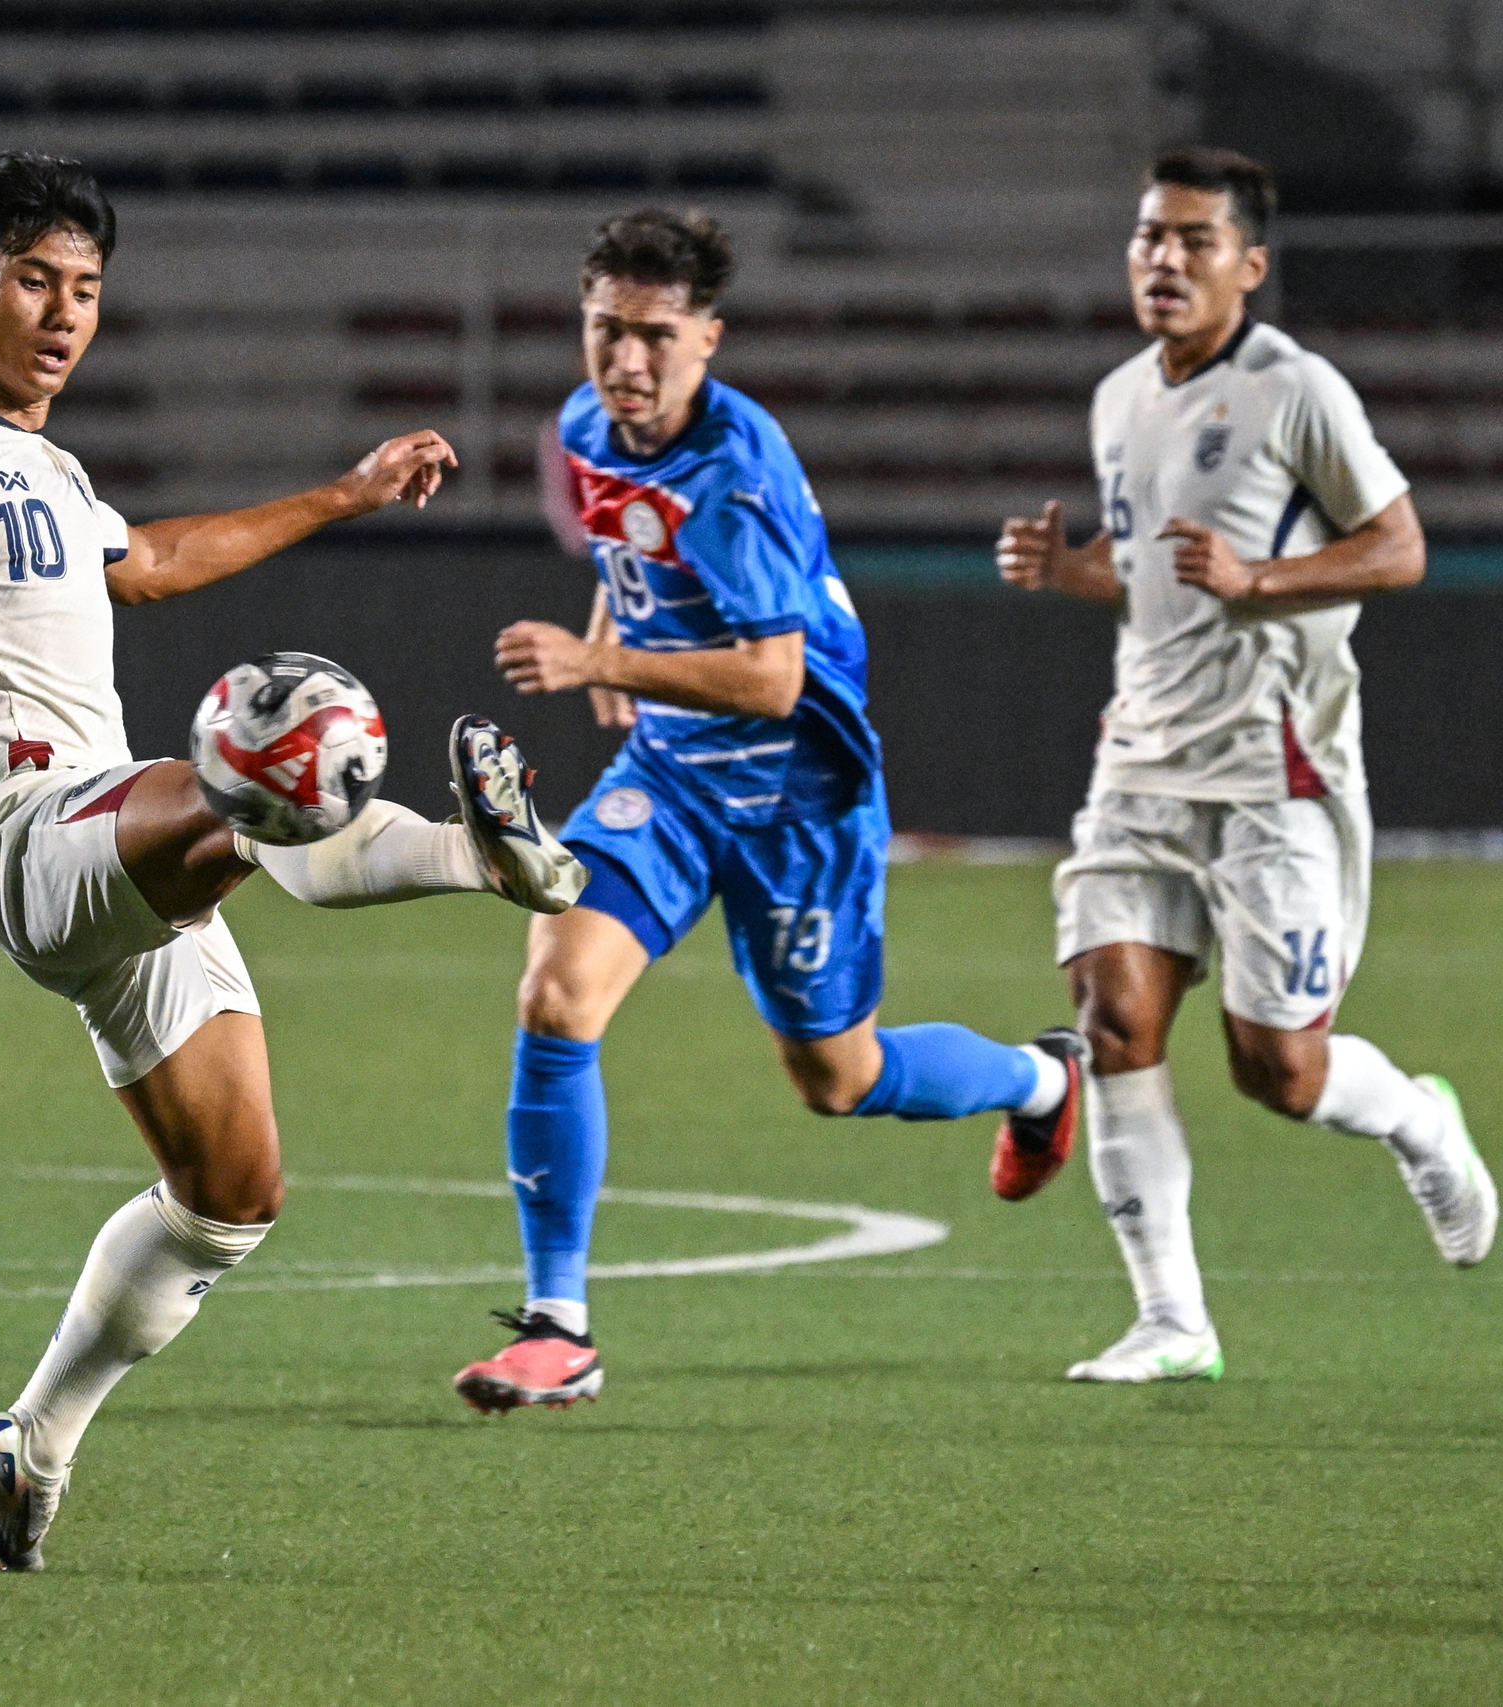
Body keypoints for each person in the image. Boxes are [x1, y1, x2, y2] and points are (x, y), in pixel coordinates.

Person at [0, 152, 585, 1568]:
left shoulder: (54, 469)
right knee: (263, 748)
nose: (65, 314)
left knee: (232, 1194)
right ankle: (474, 857)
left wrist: (350, 491)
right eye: (34, 283)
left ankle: (29, 1435)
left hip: (120, 842)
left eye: (85, 288)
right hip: (24, 830)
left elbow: (156, 561)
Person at [452, 209, 1088, 1414]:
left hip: (799, 792)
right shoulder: (588, 425)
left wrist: (602, 670)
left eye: (653, 337)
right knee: (555, 991)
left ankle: (1040, 1081)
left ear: (708, 340)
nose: (623, 363)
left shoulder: (736, 480)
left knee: (837, 1078)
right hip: (677, 778)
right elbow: (613, 538)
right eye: (604, 331)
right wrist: (609, 627)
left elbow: (772, 678)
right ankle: (556, 1324)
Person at [995, 147, 1498, 1385]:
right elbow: (1155, 564)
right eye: (1148, 238)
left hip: (1272, 773)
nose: (1162, 260)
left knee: (1279, 1070)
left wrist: (1263, 580)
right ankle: (1173, 1319)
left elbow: (1398, 549)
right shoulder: (1119, 396)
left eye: (1192, 241)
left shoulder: (1296, 390)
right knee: (1113, 1025)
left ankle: (1421, 1124)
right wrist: (1074, 573)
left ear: (1249, 267)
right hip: (1138, 768)